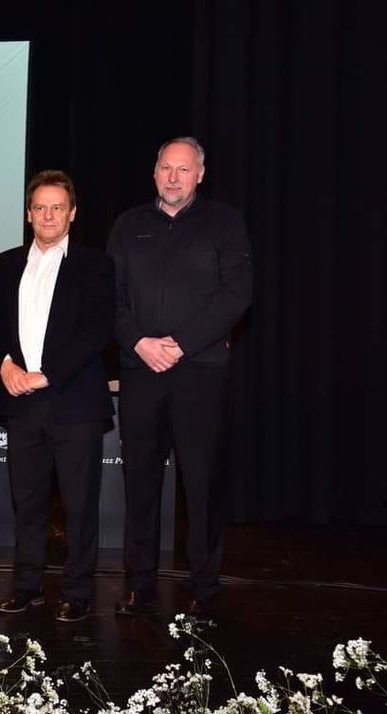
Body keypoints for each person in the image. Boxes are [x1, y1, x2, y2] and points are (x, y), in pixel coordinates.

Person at [107, 137, 252, 618]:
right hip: (141, 370)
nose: (173, 177)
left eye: (183, 169)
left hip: (201, 372)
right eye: (166, 168)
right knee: (140, 480)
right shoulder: (128, 225)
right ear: (154, 173)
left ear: (200, 175)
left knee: (202, 482)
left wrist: (181, 344)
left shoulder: (225, 223)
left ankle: (203, 586)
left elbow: (237, 295)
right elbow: (111, 297)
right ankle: (139, 584)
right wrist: (140, 343)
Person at [0, 170, 115, 623]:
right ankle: (26, 586)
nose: (48, 215)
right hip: (20, 401)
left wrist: (47, 375)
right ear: (28, 214)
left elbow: (98, 330)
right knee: (26, 502)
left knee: (79, 504)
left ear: (72, 213)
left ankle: (78, 591)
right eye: (40, 207)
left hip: (74, 403)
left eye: (57, 207)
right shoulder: (3, 264)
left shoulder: (96, 264)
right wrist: (5, 364)